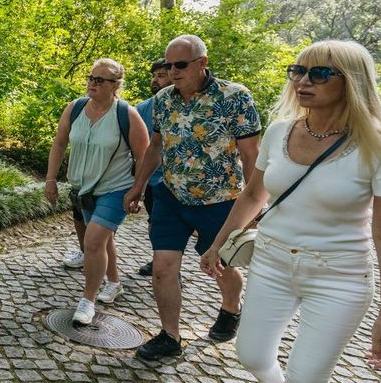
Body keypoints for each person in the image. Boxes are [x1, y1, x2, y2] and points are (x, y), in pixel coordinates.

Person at [200, 40, 381, 383]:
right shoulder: (279, 131)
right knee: (251, 354)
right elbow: (254, 193)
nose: (303, 81)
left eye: (320, 74)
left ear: (351, 82)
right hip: (272, 262)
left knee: (309, 374)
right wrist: (219, 242)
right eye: (299, 70)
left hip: (340, 276)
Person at [124, 34, 261, 357]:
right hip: (172, 196)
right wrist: (139, 185)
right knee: (162, 266)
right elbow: (155, 146)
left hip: (221, 200)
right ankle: (170, 336)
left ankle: (231, 308)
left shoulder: (234, 97)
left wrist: (255, 204)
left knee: (222, 266)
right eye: (168, 65)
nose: (172, 71)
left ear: (202, 63)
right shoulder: (164, 100)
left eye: (181, 64)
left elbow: (251, 155)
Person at [45, 58, 149, 325]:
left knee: (92, 242)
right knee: (102, 241)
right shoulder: (75, 108)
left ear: (115, 85)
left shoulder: (127, 114)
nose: (92, 83)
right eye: (90, 78)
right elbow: (59, 144)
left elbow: (144, 156)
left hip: (115, 189)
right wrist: (51, 179)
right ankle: (114, 282)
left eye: (99, 80)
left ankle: (87, 301)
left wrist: (139, 191)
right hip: (82, 189)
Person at [134, 58, 173, 276]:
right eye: (154, 76)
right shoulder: (142, 109)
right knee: (155, 221)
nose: (155, 80)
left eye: (161, 76)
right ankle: (160, 260)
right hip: (153, 178)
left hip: (179, 180)